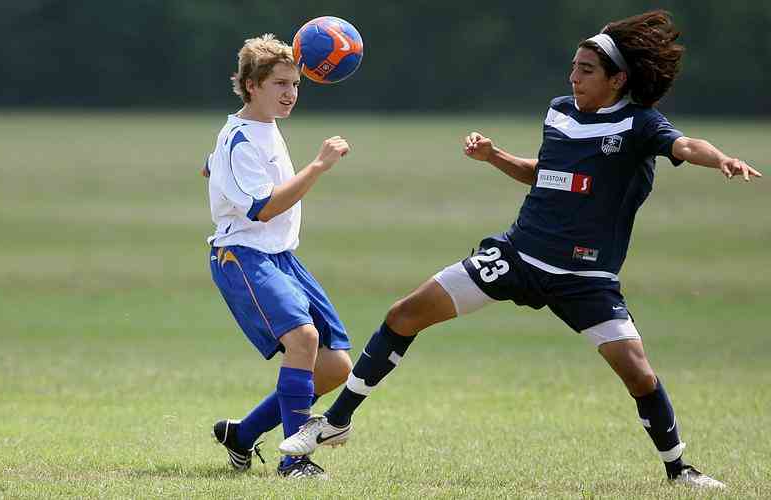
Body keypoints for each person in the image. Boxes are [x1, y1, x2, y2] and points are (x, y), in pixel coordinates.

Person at [278, 10, 762, 488]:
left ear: (617, 80)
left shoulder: (640, 126)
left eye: (587, 70)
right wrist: (494, 157)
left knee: (638, 374)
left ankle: (680, 470)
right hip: (517, 256)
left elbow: (686, 145)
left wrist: (721, 159)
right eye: (573, 66)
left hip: (584, 279)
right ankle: (336, 420)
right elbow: (546, 174)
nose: (574, 77)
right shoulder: (560, 111)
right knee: (404, 314)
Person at [203, 33, 353, 478]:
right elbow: (264, 206)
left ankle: (243, 434)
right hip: (243, 255)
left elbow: (222, 165)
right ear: (252, 85)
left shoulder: (263, 129)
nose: (290, 94)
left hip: (281, 256)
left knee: (334, 365)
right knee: (303, 340)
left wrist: (213, 167)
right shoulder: (241, 138)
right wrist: (319, 165)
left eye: (295, 85)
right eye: (280, 84)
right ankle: (294, 461)